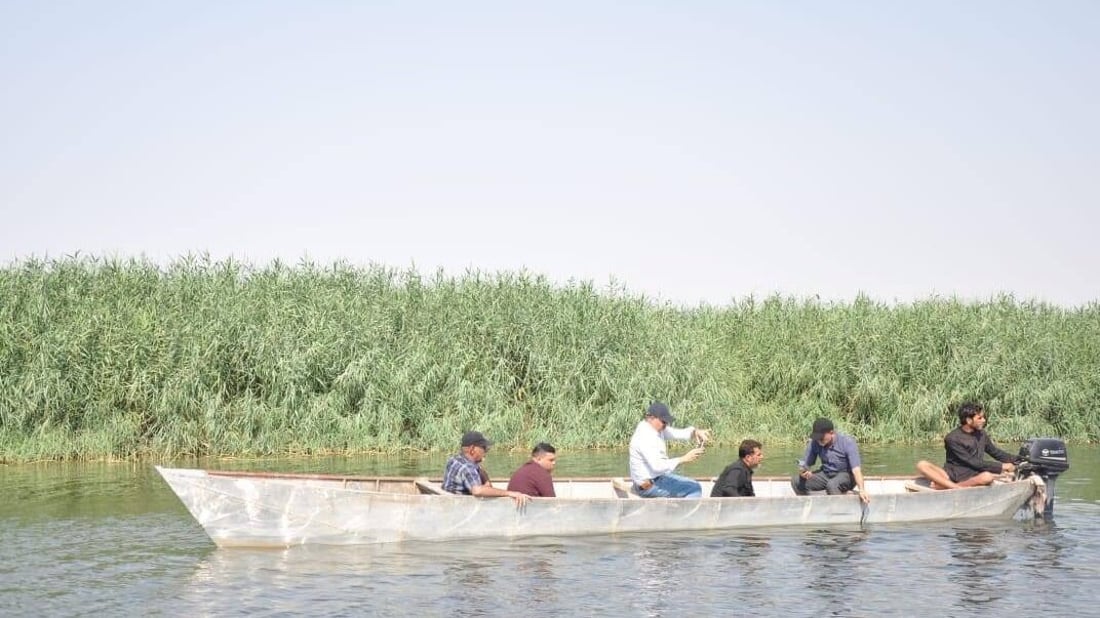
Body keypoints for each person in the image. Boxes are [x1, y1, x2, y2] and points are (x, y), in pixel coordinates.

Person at [915, 402, 1017, 489]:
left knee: (987, 477)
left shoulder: (981, 434)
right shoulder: (952, 438)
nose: (984, 420)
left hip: (972, 474)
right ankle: (956, 487)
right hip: (951, 474)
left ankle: (944, 486)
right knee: (922, 464)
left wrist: (1018, 460)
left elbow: (996, 453)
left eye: (983, 417)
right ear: (968, 420)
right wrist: (1002, 467)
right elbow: (973, 462)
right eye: (980, 418)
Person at [628, 401, 711, 498]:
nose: (665, 424)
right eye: (663, 421)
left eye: (666, 422)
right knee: (695, 488)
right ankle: (680, 512)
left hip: (657, 478)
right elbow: (658, 467)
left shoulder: (656, 428)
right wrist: (684, 458)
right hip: (648, 487)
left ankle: (675, 507)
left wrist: (695, 432)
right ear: (651, 418)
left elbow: (678, 433)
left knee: (682, 476)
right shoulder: (644, 437)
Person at [791, 417, 871, 504]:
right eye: (817, 437)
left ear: (831, 433)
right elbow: (804, 463)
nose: (819, 440)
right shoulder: (815, 442)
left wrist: (862, 490)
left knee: (832, 485)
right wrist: (803, 470)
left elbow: (856, 470)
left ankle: (839, 511)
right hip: (826, 473)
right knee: (796, 481)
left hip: (846, 475)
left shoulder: (847, 442)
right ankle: (808, 506)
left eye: (821, 438)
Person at [442, 431, 529, 505]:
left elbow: (487, 487)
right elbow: (478, 491)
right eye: (483, 448)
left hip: (449, 500)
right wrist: (509, 493)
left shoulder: (454, 459)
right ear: (472, 449)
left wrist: (484, 475)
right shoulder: (468, 467)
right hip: (460, 506)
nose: (485, 451)